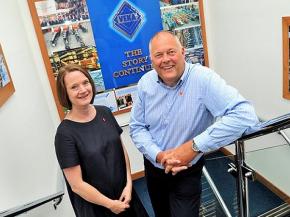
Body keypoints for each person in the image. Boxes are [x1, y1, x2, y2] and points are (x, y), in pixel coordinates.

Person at [129, 30, 260, 217]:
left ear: (183, 52)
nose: (165, 59)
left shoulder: (203, 79)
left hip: (187, 172)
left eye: (171, 52)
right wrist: (158, 155)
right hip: (153, 168)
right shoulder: (145, 83)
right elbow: (137, 127)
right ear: (151, 59)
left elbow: (245, 115)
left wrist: (194, 146)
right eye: (159, 55)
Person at [54, 64, 149, 217]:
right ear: (65, 93)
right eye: (74, 87)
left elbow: (121, 152)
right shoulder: (65, 134)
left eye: (85, 83)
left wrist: (129, 184)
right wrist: (110, 204)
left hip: (125, 197)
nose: (83, 90)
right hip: (98, 209)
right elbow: (77, 185)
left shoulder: (104, 112)